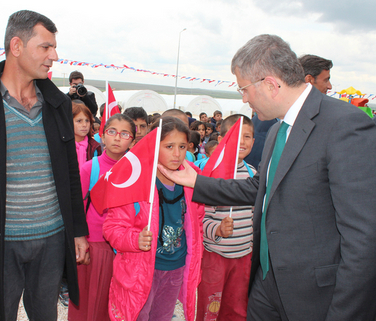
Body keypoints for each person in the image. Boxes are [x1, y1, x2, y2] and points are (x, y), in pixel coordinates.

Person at [158, 34, 376, 321]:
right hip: (266, 284)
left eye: (243, 89)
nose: (243, 99)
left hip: (316, 297)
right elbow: (260, 189)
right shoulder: (279, 131)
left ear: (270, 84)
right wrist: (196, 182)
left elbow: (366, 238)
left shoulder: (345, 125)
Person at [0, 10, 89, 321]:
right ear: (16, 46)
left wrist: (77, 231)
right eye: (45, 47)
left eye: (54, 47)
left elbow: (69, 175)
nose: (54, 55)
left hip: (52, 241)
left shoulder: (58, 104)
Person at [103, 117, 204, 321]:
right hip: (141, 271)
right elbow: (113, 227)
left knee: (162, 317)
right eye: (169, 146)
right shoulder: (136, 180)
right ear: (154, 145)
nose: (176, 154)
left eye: (182, 146)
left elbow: (198, 223)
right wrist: (135, 240)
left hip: (176, 267)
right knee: (137, 315)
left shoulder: (193, 179)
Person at [69, 114, 136, 321]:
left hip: (124, 248)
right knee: (88, 303)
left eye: (125, 134)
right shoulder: (89, 168)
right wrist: (79, 241)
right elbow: (75, 208)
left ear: (132, 140)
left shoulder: (136, 171)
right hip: (95, 245)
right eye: (112, 132)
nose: (117, 138)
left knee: (115, 304)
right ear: (102, 135)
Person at [196, 114, 255, 321]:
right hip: (215, 256)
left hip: (244, 256)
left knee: (237, 309)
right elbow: (199, 218)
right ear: (221, 140)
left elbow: (255, 216)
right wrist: (217, 229)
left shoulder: (253, 175)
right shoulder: (209, 175)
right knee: (210, 309)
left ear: (254, 141)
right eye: (235, 136)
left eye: (247, 137)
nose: (242, 142)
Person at [72, 102, 102, 170]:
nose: (84, 125)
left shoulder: (95, 146)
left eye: (87, 121)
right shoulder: (63, 146)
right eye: (79, 121)